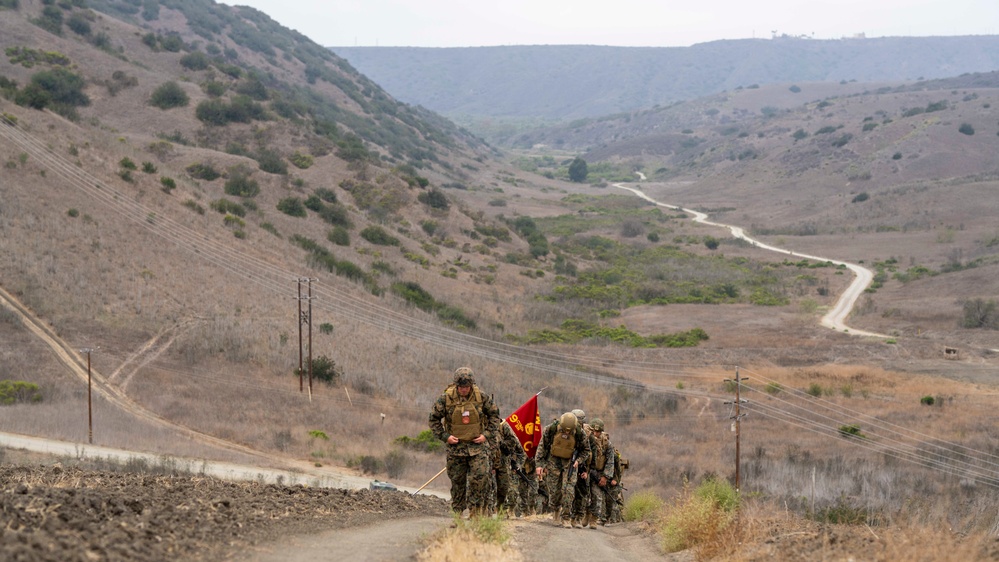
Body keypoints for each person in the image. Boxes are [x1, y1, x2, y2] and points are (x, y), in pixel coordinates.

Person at [428, 367, 501, 517]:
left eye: (467, 387)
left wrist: (486, 435)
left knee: (479, 479)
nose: (464, 390)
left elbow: (495, 416)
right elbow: (433, 419)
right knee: (457, 482)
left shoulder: (481, 397)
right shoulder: (446, 398)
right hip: (456, 448)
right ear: (456, 385)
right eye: (461, 387)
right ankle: (458, 514)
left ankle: (475, 513)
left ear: (471, 385)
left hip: (477, 447)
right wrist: (444, 436)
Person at [535, 411, 590, 528]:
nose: (567, 432)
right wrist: (539, 465)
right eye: (565, 430)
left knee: (568, 490)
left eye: (569, 431)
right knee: (554, 490)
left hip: (569, 462)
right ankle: (556, 512)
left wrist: (578, 461)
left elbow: (586, 450)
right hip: (553, 461)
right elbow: (542, 447)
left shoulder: (580, 433)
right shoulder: (551, 429)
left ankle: (566, 517)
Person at [585, 418, 615, 528]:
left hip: (598, 473)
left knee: (597, 497)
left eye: (598, 432)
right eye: (593, 431)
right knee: (584, 495)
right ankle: (584, 514)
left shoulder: (606, 443)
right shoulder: (585, 439)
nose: (595, 434)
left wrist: (605, 477)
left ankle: (594, 518)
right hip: (586, 471)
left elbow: (610, 461)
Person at [494, 418, 528, 516]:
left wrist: (518, 466)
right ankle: (491, 511)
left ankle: (507, 510)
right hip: (490, 464)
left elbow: (521, 452)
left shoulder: (505, 429)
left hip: (507, 466)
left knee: (508, 490)